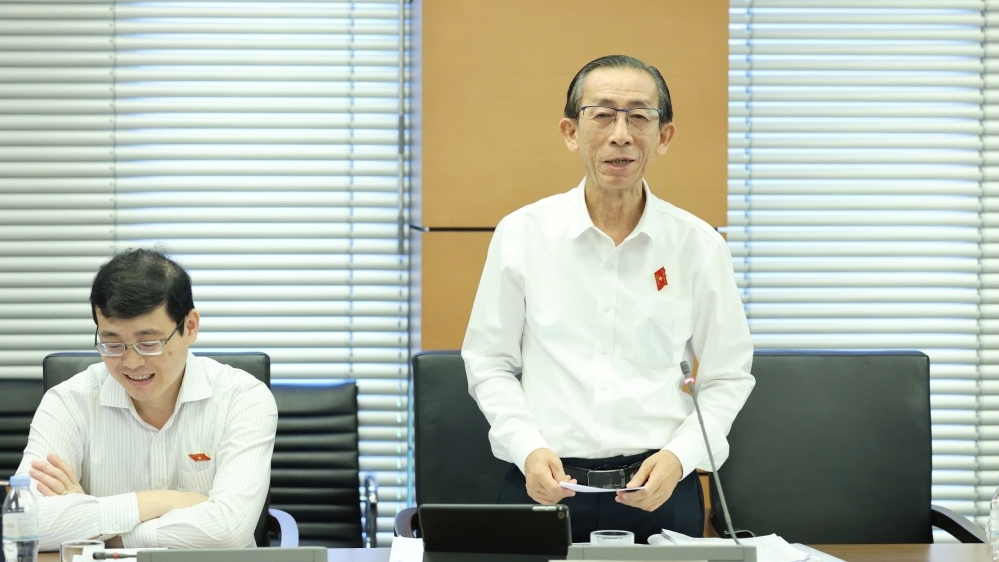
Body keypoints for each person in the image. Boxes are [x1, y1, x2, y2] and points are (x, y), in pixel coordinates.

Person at [462, 55, 755, 543]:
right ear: (571, 132)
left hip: (661, 489)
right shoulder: (522, 235)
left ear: (663, 136)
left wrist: (680, 457)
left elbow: (728, 375)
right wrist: (527, 447)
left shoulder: (699, 245)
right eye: (602, 115)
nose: (621, 135)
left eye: (639, 116)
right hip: (545, 485)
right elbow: (489, 363)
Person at [15, 248, 278, 550]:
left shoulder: (243, 399)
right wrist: (161, 501)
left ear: (190, 326)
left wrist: (103, 532)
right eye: (112, 344)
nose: (131, 363)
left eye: (149, 343)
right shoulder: (68, 402)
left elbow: (229, 531)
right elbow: (23, 523)